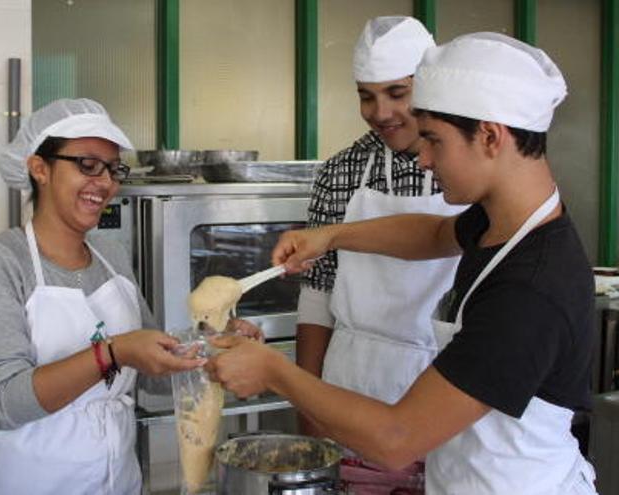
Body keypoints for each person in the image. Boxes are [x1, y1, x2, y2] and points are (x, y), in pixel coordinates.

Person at [207, 33, 598, 494]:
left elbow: (397, 439)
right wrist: (329, 237)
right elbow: (431, 234)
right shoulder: (502, 224)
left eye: (433, 140)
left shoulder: (531, 290)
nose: (425, 159)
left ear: (491, 136)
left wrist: (274, 370)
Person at [0, 98, 203, 495]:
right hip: (29, 481)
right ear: (40, 168)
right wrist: (113, 352)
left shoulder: (112, 256)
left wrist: (215, 344)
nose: (105, 182)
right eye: (88, 165)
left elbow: (154, 376)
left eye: (113, 168)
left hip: (116, 478)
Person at [295, 16, 464, 491]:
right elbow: (317, 296)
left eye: (397, 92)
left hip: (443, 383)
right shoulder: (341, 170)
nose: (380, 111)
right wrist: (311, 412)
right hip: (353, 378)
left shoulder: (466, 165)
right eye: (366, 95)